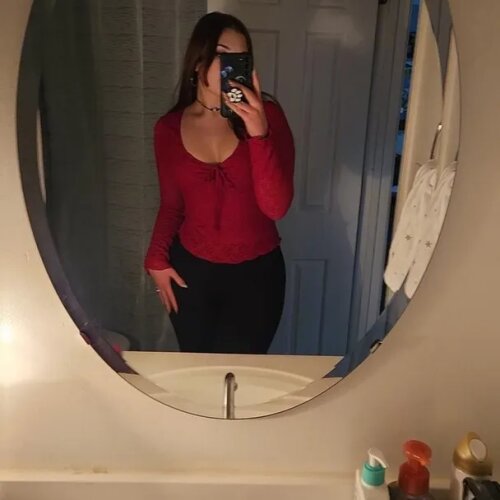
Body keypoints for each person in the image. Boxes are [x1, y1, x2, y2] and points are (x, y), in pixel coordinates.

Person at [144, 11, 295, 354]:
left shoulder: (268, 116)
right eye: (223, 55)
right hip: (190, 272)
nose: (232, 68)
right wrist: (155, 258)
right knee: (198, 371)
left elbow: (276, 207)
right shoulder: (168, 129)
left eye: (241, 58)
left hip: (257, 277)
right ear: (199, 61)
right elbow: (172, 204)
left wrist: (258, 134)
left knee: (242, 374)